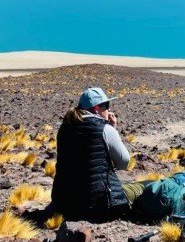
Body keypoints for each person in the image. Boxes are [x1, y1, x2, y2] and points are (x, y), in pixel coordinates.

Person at [51, 86, 136, 222]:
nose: (109, 109)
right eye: (106, 105)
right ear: (96, 108)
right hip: (98, 207)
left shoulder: (64, 127)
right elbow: (124, 162)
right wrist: (113, 130)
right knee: (140, 188)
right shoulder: (104, 129)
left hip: (63, 204)